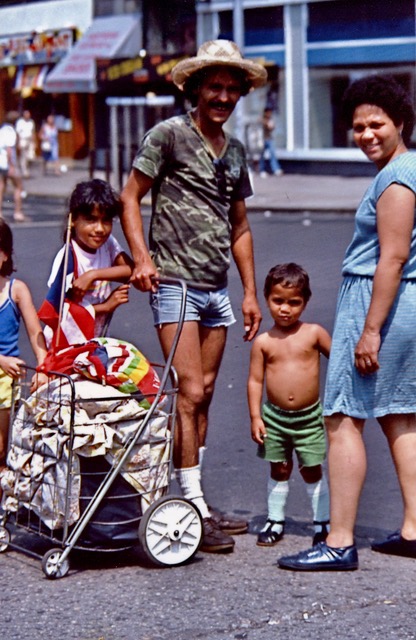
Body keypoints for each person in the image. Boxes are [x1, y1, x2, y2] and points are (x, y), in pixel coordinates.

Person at [120, 39, 267, 553]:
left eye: (231, 89)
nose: (223, 97)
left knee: (203, 395)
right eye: (214, 87)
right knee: (189, 394)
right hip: (175, 284)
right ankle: (192, 510)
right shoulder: (168, 136)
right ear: (197, 88)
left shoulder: (236, 151)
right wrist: (142, 258)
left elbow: (240, 226)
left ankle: (194, 499)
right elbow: (130, 197)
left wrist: (250, 293)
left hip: (216, 291)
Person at [279, 74, 416, 572]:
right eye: (358, 127)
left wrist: (370, 330)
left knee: (340, 417)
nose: (366, 134)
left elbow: (391, 258)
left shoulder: (397, 178)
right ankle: (414, 529)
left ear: (401, 122)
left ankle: (339, 541)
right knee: (400, 414)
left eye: (377, 124)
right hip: (403, 301)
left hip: (377, 301)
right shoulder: (406, 169)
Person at [248, 263, 331, 547]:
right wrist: (255, 417)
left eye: (294, 302)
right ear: (267, 299)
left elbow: (339, 361)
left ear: (305, 302)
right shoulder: (263, 342)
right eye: (278, 301)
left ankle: (322, 523)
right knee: (279, 468)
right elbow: (255, 381)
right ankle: (275, 520)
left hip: (309, 418)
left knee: (311, 468)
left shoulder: (314, 333)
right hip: (274, 418)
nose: (285, 309)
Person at [39, 179, 132, 349]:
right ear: (73, 220)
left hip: (95, 340)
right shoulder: (68, 257)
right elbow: (60, 313)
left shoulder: (108, 244)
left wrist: (93, 275)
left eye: (106, 220)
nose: (100, 229)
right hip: (65, 344)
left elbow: (130, 271)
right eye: (91, 220)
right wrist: (105, 307)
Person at [0, 218, 48, 498]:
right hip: (3, 366)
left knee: (2, 448)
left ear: (5, 255)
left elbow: (34, 332)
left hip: (6, 380)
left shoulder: (16, 290)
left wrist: (43, 366)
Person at [0, 112, 27, 222]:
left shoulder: (1, 130)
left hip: (1, 162)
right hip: (8, 163)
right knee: (18, 186)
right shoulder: (11, 131)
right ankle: (18, 212)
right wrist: (12, 165)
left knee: (1, 186)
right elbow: (9, 149)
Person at [259, 108, 283, 178]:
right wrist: (266, 123)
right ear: (265, 113)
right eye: (268, 113)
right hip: (262, 139)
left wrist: (270, 125)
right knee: (262, 156)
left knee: (272, 153)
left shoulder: (270, 119)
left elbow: (272, 127)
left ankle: (276, 169)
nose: (270, 114)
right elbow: (262, 124)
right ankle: (262, 170)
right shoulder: (261, 119)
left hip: (269, 139)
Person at [15, 110, 36, 178]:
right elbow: (18, 133)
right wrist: (18, 142)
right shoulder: (20, 122)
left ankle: (26, 168)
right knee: (23, 156)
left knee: (30, 156)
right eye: (26, 115)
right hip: (23, 139)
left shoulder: (31, 122)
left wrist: (34, 142)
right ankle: (25, 171)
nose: (27, 116)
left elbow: (33, 132)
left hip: (30, 140)